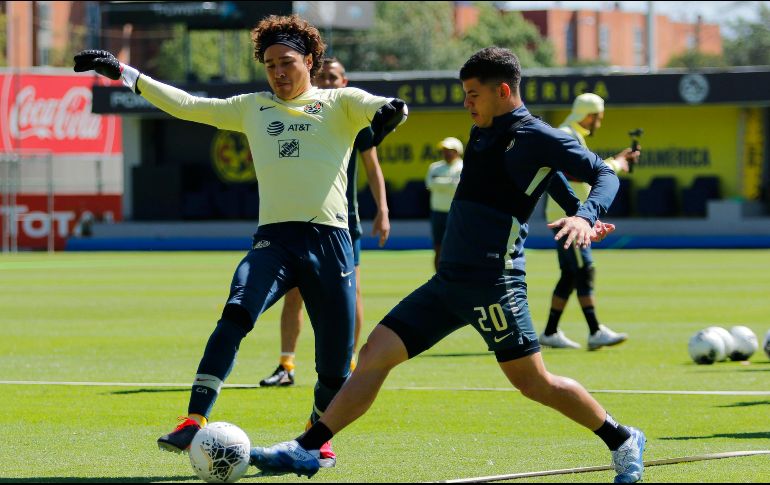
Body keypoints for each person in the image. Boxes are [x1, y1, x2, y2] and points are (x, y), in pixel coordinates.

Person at [249, 47, 646, 483]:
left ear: (503, 91)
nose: (466, 102)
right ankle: (309, 448)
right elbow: (545, 174)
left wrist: (584, 216)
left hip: (494, 285)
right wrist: (571, 204)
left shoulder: (541, 135)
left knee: (534, 383)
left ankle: (623, 439)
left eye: (473, 94)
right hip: (448, 283)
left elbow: (603, 175)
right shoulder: (484, 129)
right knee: (374, 355)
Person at [73, 14, 408, 467]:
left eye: (286, 61)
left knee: (333, 363)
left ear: (309, 60)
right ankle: (194, 418)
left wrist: (392, 110)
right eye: (269, 64)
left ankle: (315, 439)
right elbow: (187, 104)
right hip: (274, 241)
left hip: (331, 244)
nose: (278, 71)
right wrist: (124, 73)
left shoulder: (340, 101)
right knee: (235, 314)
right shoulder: (253, 107)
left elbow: (384, 105)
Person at [260, 57, 391, 387]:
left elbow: (373, 168)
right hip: (299, 222)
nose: (329, 82)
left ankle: (346, 364)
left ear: (345, 81)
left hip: (344, 223)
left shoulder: (352, 116)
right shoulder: (301, 113)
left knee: (352, 293)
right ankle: (286, 365)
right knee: (294, 294)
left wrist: (383, 210)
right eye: (323, 76)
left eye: (334, 77)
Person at [540, 93, 640, 350]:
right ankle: (592, 331)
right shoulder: (566, 133)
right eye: (599, 117)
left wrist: (616, 163)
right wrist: (615, 165)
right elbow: (573, 173)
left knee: (575, 272)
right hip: (569, 218)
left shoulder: (572, 134)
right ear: (589, 115)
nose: (599, 123)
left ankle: (554, 331)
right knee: (581, 270)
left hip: (572, 217)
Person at [426, 137, 463, 271]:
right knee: (438, 248)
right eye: (444, 150)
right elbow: (430, 184)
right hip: (437, 213)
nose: (446, 153)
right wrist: (450, 182)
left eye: (449, 150)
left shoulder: (463, 167)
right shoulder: (435, 166)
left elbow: (457, 186)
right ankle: (439, 277)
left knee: (457, 247)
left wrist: (440, 182)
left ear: (457, 151)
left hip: (456, 213)